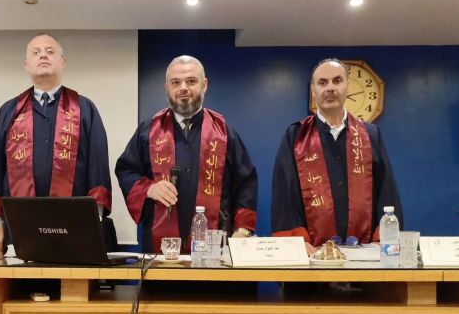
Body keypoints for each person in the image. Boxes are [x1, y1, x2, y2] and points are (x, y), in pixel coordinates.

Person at [0, 33, 113, 251]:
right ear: (26, 65)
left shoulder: (84, 109)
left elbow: (98, 169)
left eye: (50, 52)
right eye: (36, 52)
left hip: (75, 227)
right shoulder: (10, 111)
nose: (43, 55)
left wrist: (93, 221)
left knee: (68, 273)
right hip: (17, 226)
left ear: (63, 62)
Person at [115, 55, 258, 253]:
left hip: (214, 249)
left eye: (191, 81)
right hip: (160, 248)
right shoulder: (148, 131)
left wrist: (242, 230)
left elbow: (246, 183)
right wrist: (149, 189)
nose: (183, 88)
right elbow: (125, 170)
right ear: (167, 87)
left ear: (204, 85)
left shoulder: (224, 132)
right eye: (176, 82)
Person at [271, 58, 402, 254]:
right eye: (323, 82)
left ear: (347, 86)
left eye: (337, 81)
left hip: (365, 253)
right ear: (313, 91)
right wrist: (297, 242)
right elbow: (285, 195)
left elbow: (386, 190)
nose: (330, 88)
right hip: (312, 254)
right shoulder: (296, 136)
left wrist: (382, 239)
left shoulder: (370, 135)